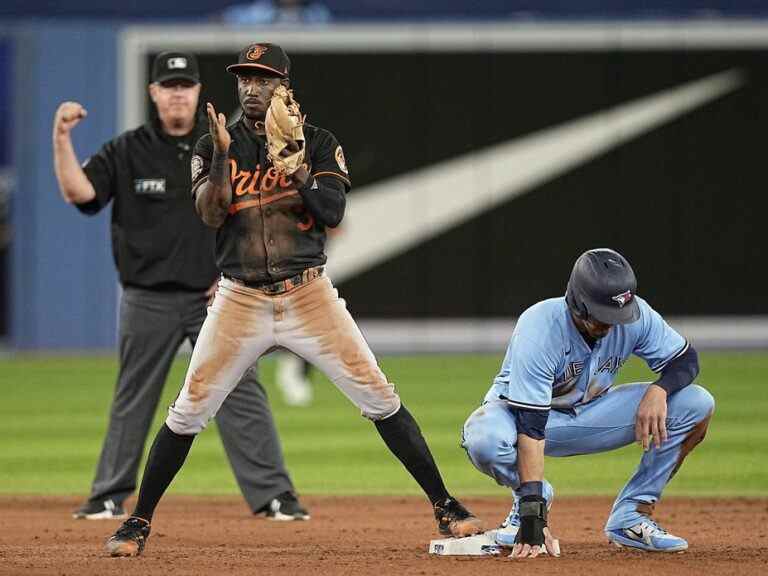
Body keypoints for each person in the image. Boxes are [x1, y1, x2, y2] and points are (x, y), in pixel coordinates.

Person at [105, 42, 483, 557]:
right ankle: (137, 522)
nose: (251, 88)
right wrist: (218, 156)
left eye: (262, 80)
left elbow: (332, 212)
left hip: (308, 294)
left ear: (285, 86)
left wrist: (297, 166)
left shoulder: (319, 142)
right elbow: (211, 215)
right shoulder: (214, 143)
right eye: (244, 79)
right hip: (239, 299)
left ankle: (445, 504)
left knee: (378, 395)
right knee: (189, 410)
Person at [52, 51, 308, 523]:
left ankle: (275, 497)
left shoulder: (219, 145)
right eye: (168, 86)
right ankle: (108, 495)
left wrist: (238, 272)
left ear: (196, 93)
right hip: (146, 297)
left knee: (240, 390)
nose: (176, 94)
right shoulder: (127, 149)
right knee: (135, 394)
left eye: (184, 86)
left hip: (217, 296)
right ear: (154, 93)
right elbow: (80, 194)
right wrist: (61, 137)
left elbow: (253, 212)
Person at [461, 248, 715, 557]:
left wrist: (660, 389)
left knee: (696, 403)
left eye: (618, 315)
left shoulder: (636, 315)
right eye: (603, 315)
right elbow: (531, 425)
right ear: (577, 303)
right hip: (517, 419)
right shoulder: (539, 326)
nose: (611, 324)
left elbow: (685, 360)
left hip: (591, 413)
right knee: (483, 437)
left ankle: (631, 516)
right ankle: (527, 503)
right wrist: (533, 509)